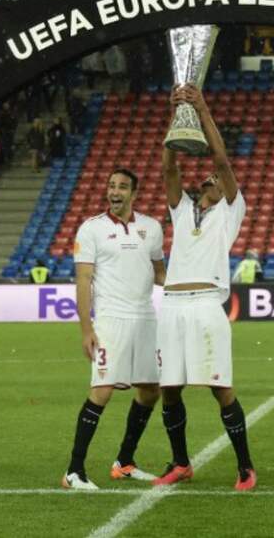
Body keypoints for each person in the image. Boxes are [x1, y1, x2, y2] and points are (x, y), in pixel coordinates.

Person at [154, 84, 256, 491]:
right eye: (208, 179)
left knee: (220, 388)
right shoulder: (182, 212)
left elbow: (223, 160)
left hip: (206, 305)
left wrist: (203, 109)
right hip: (173, 304)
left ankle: (245, 466)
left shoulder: (231, 212)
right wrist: (176, 117)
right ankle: (181, 463)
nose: (211, 178)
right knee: (169, 390)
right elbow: (168, 170)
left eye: (215, 178)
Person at [62, 168, 167, 491]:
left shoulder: (151, 228)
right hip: (110, 319)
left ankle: (124, 462)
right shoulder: (91, 229)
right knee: (102, 391)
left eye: (122, 186)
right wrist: (86, 328)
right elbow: (83, 280)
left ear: (134, 193)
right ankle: (74, 471)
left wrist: (193, 288)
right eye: (111, 185)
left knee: (150, 390)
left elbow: (160, 273)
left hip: (145, 318)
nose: (115, 191)